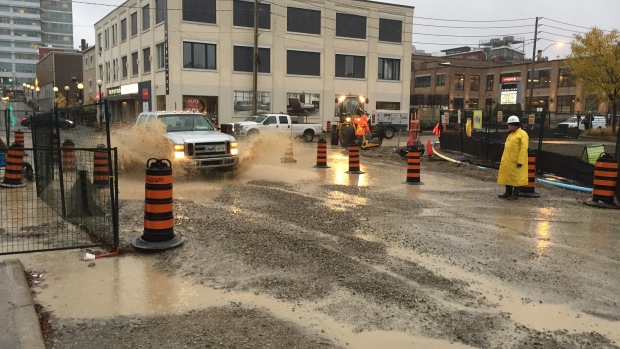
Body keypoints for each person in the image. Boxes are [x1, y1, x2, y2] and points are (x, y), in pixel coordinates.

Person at [497, 115, 529, 200]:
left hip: (516, 160)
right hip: (509, 160)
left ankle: (515, 194)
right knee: (508, 177)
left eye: (509, 125)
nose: (508, 126)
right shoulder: (511, 134)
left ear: (514, 125)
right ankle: (508, 192)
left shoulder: (522, 134)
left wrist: (520, 161)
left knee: (516, 178)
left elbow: (524, 148)